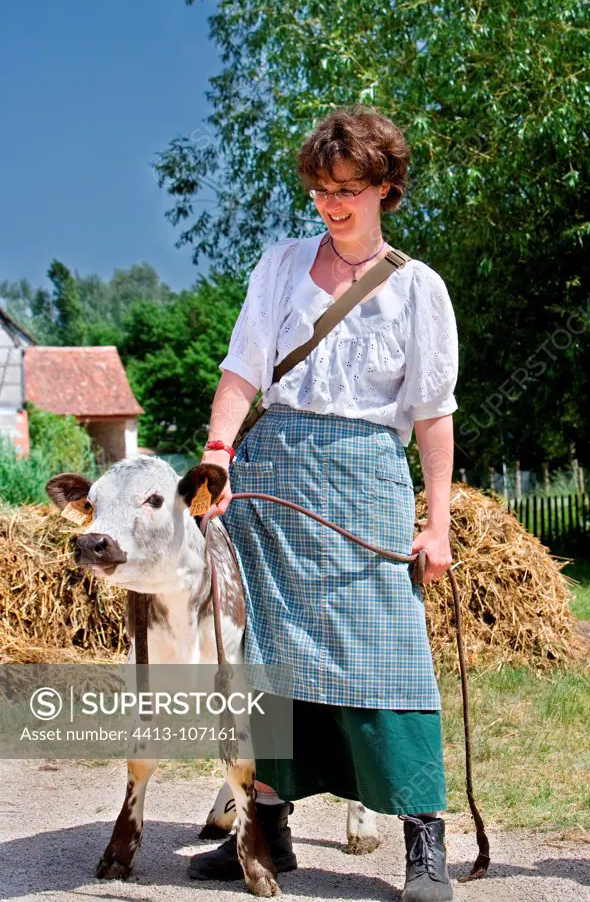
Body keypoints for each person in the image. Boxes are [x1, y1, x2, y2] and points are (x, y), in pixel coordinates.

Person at [188, 105, 459, 902]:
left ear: (386, 188)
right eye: (320, 189)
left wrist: (436, 523)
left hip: (367, 483)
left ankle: (423, 843)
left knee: (390, 657)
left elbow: (434, 415)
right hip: (269, 482)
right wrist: (216, 454)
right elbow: (243, 370)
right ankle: (265, 832)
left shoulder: (418, 290)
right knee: (264, 658)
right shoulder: (277, 267)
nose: (332, 203)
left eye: (349, 188)